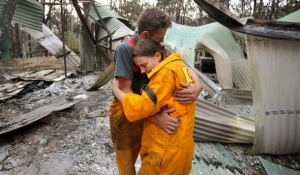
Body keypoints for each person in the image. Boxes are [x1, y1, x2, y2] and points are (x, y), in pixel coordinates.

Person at [109, 6, 202, 175]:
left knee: (151, 156)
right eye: (159, 38)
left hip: (147, 107)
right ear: (145, 35)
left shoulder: (157, 49)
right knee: (127, 163)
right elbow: (125, 90)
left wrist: (198, 85)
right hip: (127, 110)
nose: (162, 42)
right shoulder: (126, 49)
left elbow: (180, 65)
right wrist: (155, 117)